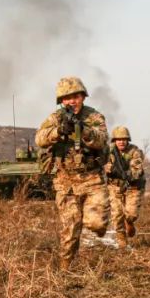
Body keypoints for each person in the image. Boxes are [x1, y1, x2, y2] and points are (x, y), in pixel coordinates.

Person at [34, 77, 109, 269]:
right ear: (61, 101)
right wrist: (58, 131)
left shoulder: (94, 117)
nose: (72, 101)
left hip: (92, 178)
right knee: (70, 227)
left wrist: (82, 130)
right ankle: (65, 269)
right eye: (67, 98)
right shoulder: (54, 118)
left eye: (75, 96)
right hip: (65, 179)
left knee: (96, 224)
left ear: (83, 97)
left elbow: (101, 140)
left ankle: (96, 225)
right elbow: (40, 139)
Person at [104, 126, 145, 248]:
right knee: (117, 215)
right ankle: (122, 241)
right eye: (118, 139)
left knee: (131, 214)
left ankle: (129, 222)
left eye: (124, 139)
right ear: (114, 140)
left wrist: (118, 172)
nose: (121, 142)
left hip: (133, 187)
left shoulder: (135, 152)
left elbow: (136, 172)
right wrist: (106, 169)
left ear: (128, 140)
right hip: (115, 187)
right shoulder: (108, 152)